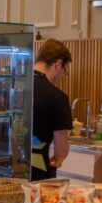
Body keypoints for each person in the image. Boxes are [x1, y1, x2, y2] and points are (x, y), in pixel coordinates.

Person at [31, 39, 73, 181]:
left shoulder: (13, 85)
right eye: (64, 70)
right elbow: (61, 149)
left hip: (6, 170)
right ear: (58, 64)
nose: (62, 76)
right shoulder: (58, 97)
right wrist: (58, 159)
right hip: (38, 175)